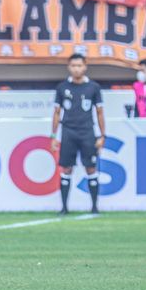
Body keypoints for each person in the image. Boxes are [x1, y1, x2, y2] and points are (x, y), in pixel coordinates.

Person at [50, 53, 105, 215]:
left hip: (87, 131)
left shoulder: (93, 87)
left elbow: (100, 112)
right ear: (69, 67)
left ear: (85, 66)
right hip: (68, 132)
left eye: (79, 65)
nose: (76, 69)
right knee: (66, 169)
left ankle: (95, 207)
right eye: (73, 66)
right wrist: (53, 136)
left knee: (91, 168)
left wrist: (102, 136)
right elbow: (56, 112)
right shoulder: (62, 88)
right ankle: (64, 208)